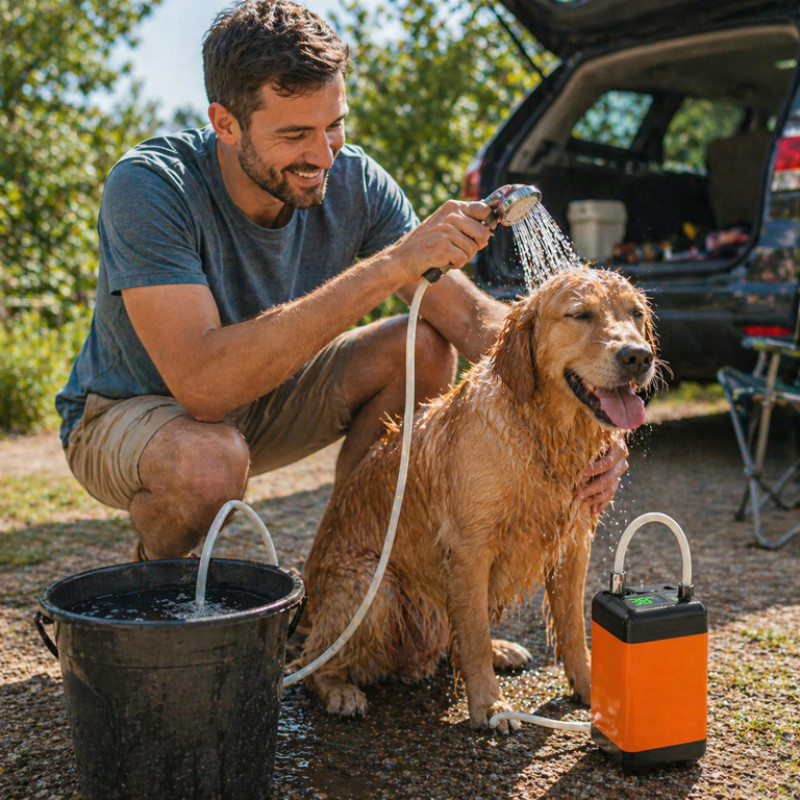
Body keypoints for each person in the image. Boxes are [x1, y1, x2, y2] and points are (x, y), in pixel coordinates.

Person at [56, 0, 627, 562]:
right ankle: (155, 579)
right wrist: (391, 265)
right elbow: (204, 388)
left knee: (423, 344)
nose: (322, 155)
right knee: (207, 464)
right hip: (135, 411)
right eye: (295, 134)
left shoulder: (356, 181)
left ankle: (338, 571)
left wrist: (596, 410)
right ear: (225, 125)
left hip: (270, 398)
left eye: (334, 126)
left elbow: (475, 323)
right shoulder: (151, 187)